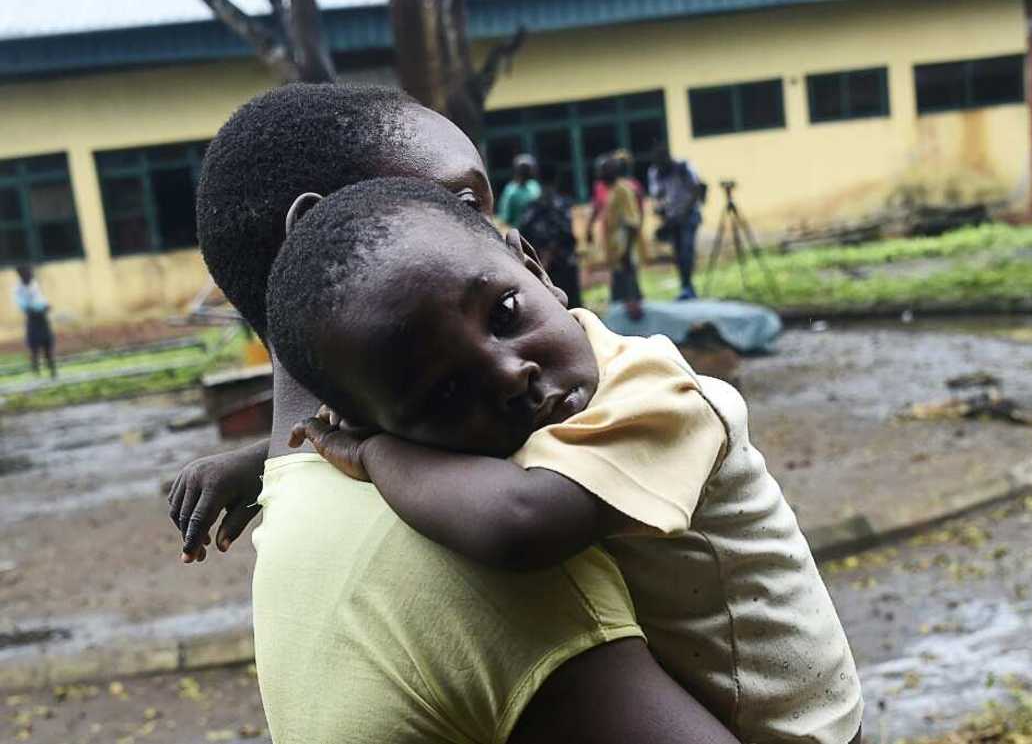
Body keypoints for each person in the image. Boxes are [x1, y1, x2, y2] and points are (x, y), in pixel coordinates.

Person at [168, 83, 747, 744]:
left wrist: (269, 462)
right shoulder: (469, 560)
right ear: (321, 232)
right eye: (465, 201)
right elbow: (519, 521)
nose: (497, 235)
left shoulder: (303, 490)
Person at [270, 177, 864, 744]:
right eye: (445, 392)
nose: (509, 375)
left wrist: (373, 453)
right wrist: (262, 463)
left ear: (535, 267)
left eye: (504, 313)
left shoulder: (657, 393)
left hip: (793, 726)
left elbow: (520, 525)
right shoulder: (536, 415)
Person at [649, 144, 704, 300]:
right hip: (673, 219)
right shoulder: (656, 172)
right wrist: (663, 216)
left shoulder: (683, 167)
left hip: (689, 215)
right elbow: (658, 196)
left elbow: (696, 191)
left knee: (686, 251)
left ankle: (688, 286)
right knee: (678, 254)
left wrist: (683, 214)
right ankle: (686, 287)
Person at [516, 178, 582, 309]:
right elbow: (567, 234)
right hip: (559, 265)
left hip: (549, 266)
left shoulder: (533, 208)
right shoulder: (562, 205)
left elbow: (523, 235)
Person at [602, 155, 644, 320]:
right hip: (617, 253)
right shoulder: (612, 191)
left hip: (625, 251)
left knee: (631, 297)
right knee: (620, 298)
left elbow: (632, 223)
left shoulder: (623, 190)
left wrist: (626, 252)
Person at [13, 265, 57, 378]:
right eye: (29, 272)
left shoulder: (34, 285)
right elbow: (25, 307)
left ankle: (53, 373)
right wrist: (39, 308)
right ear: (22, 275)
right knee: (34, 349)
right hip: (33, 320)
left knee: (48, 346)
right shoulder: (18, 290)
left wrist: (46, 306)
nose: (31, 274)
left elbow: (40, 299)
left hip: (42, 318)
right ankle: (36, 374)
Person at [497, 153, 542, 227]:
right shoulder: (511, 190)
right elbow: (504, 217)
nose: (527, 171)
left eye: (529, 169)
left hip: (538, 230)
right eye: (524, 169)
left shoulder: (535, 185)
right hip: (520, 232)